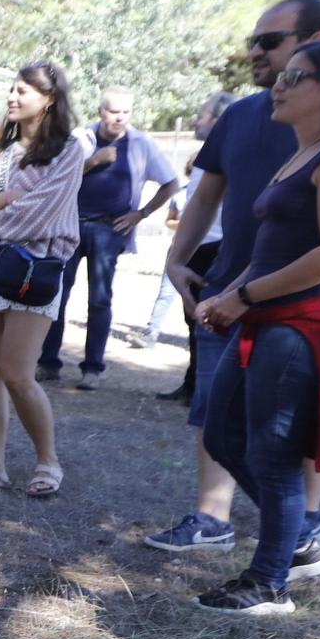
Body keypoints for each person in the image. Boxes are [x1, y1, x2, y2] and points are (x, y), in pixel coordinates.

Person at [146, 0, 320, 566]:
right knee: (220, 419)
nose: (254, 52)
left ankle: (296, 536)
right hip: (232, 293)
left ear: (313, 44)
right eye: (255, 41)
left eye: (270, 41)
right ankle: (214, 520)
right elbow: (206, 194)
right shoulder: (241, 114)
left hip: (307, 306)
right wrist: (177, 260)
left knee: (294, 429)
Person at [191, 41, 320, 614]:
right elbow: (274, 249)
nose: (280, 82)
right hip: (264, 317)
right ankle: (295, 535)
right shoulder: (305, 152)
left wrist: (245, 296)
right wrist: (231, 293)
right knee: (222, 435)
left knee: (273, 458)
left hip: (299, 327)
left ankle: (269, 581)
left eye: (296, 75)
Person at [0, 62, 86, 496]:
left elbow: (43, 211)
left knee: (18, 373)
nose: (12, 96)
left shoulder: (68, 151)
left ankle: (49, 462)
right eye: (11, 89)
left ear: (49, 99)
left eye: (23, 90)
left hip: (36, 269)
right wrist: (5, 198)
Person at [37, 87, 179, 389]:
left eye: (126, 112)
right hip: (70, 225)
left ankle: (93, 369)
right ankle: (48, 363)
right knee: (56, 295)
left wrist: (141, 214)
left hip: (109, 229)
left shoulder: (141, 143)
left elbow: (171, 183)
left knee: (100, 300)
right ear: (101, 112)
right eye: (114, 111)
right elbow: (57, 176)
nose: (120, 118)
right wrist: (94, 161)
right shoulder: (80, 138)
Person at [138, 90, 236, 404]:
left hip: (219, 248)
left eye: (203, 114)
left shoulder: (233, 154)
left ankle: (207, 392)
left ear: (220, 120)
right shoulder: (206, 156)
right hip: (196, 247)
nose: (197, 119)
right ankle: (192, 384)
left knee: (211, 321)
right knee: (191, 319)